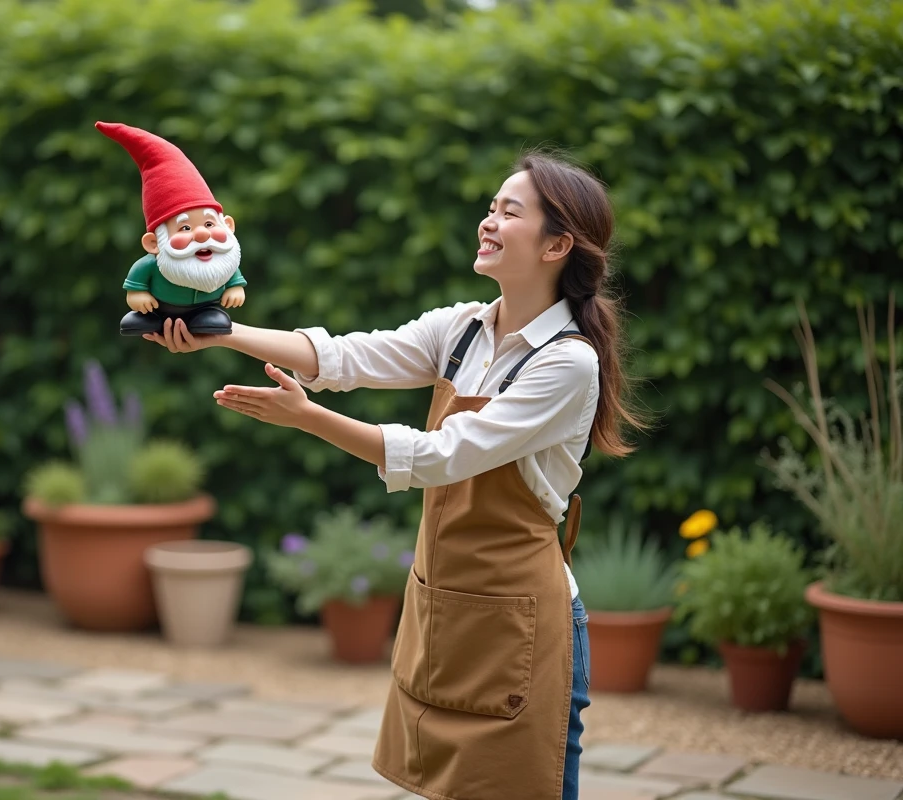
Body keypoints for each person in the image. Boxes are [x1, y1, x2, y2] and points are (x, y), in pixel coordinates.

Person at [142, 150, 645, 800]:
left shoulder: (567, 363)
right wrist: (222, 332)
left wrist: (308, 419)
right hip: (447, 607)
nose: (487, 222)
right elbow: (343, 355)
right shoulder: (464, 329)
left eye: (508, 212)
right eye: (490, 208)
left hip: (521, 627)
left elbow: (445, 454)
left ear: (557, 244)